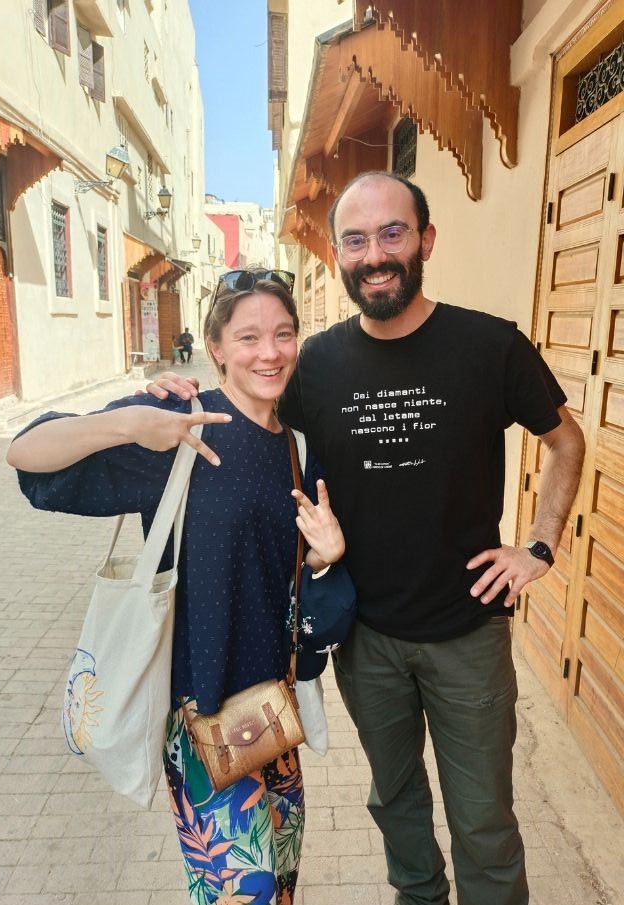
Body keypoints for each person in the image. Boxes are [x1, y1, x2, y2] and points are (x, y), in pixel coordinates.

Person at [145, 172, 586, 905]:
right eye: (355, 240)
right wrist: (173, 394)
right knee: (395, 802)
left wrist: (538, 546)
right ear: (338, 255)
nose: (374, 255)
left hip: (468, 633)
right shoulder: (315, 362)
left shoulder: (490, 345)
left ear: (425, 241)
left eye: (392, 234)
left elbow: (566, 441)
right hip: (367, 641)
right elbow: (253, 403)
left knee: (483, 818)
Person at [7, 272, 347, 905]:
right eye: (248, 337)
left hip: (273, 715)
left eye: (283, 334)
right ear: (215, 347)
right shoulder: (178, 426)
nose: (269, 352)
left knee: (282, 884)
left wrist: (327, 559)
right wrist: (128, 422)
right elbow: (25, 456)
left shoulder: (298, 450)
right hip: (200, 714)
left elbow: (296, 587)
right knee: (246, 891)